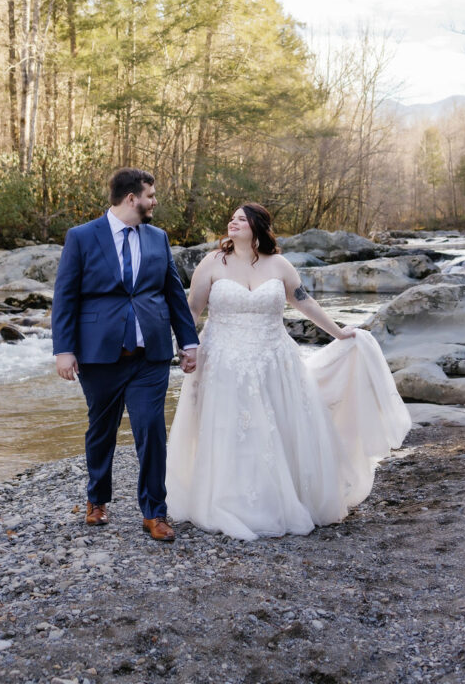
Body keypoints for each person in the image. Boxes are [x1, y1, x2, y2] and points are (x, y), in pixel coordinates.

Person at [166, 203, 411, 541]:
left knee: (272, 429)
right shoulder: (212, 262)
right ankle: (230, 501)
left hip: (273, 360)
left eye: (241, 219)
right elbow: (192, 309)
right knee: (229, 429)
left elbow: (304, 301)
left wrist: (338, 333)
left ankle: (278, 500)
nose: (232, 223)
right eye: (232, 218)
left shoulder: (279, 265)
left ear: (257, 226)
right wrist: (185, 347)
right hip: (223, 360)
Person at [52, 168, 199, 542]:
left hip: (150, 354)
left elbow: (173, 293)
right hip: (99, 353)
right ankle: (97, 499)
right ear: (132, 198)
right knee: (101, 430)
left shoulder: (158, 237)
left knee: (151, 429)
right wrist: (64, 350)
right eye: (150, 195)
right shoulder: (82, 236)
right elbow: (65, 296)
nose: (154, 201)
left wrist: (189, 342)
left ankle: (154, 513)